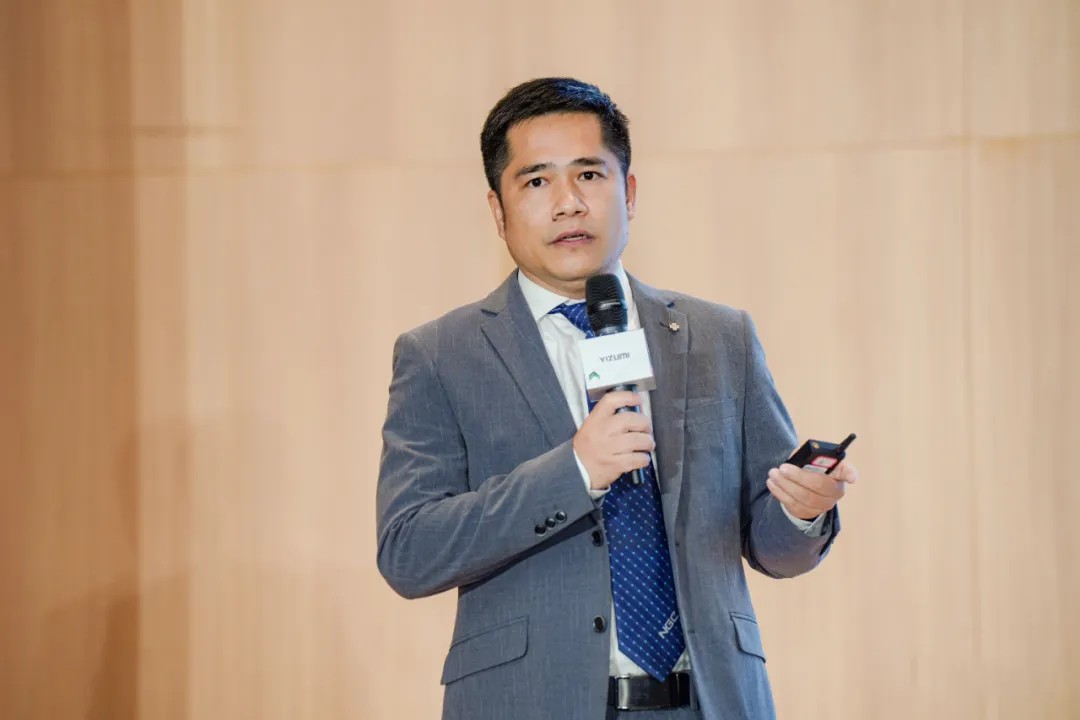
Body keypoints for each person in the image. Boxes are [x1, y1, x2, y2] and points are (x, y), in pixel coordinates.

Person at [376, 77, 858, 720]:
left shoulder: (719, 337)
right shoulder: (441, 354)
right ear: (498, 210)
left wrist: (802, 510)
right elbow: (409, 551)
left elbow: (772, 546)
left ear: (628, 191)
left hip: (712, 700)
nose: (569, 203)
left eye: (589, 175)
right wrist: (574, 471)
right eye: (537, 181)